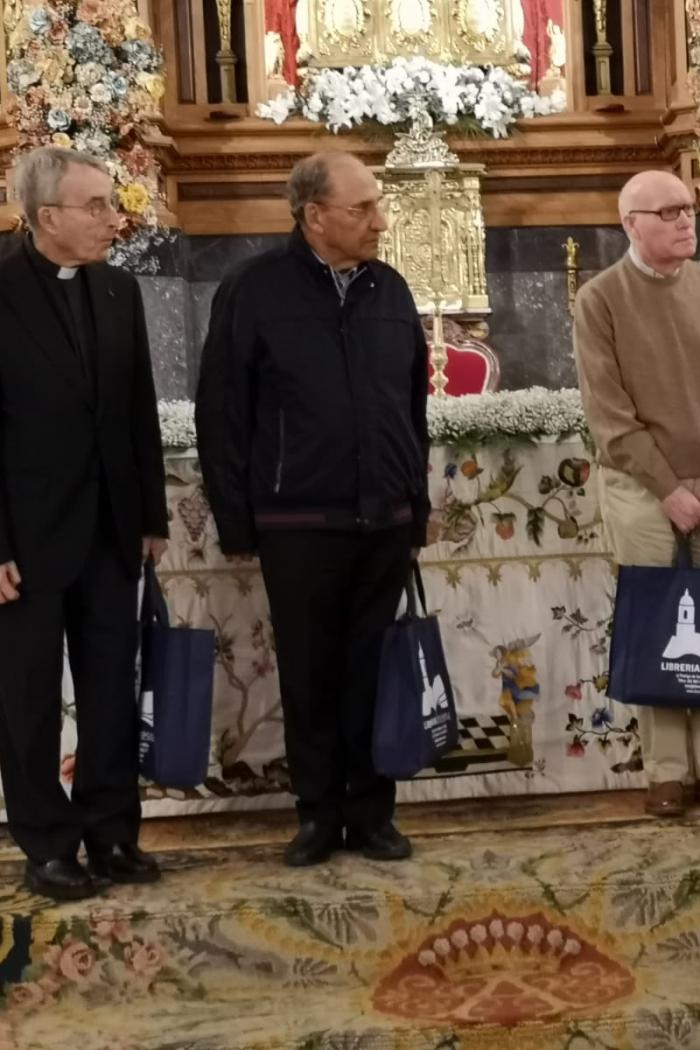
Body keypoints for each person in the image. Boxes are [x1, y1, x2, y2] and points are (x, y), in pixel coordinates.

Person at [196, 151, 430, 866]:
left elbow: (412, 409)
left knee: (372, 672)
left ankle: (374, 813)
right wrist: (235, 518)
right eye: (363, 208)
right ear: (315, 215)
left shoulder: (390, 289)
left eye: (377, 206)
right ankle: (318, 815)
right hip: (298, 524)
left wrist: (414, 505)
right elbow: (223, 411)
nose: (379, 222)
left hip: (384, 520)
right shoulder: (253, 288)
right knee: (309, 674)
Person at [573, 170, 700, 818]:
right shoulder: (600, 300)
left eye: (689, 209)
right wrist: (667, 489)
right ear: (631, 224)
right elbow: (610, 415)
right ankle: (666, 773)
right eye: (669, 212)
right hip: (645, 491)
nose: (688, 220)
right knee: (662, 625)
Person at [0, 147, 168, 899]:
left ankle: (111, 832)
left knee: (110, 693)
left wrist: (150, 515)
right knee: (28, 700)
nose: (113, 218)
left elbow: (137, 412)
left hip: (110, 531)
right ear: (46, 218)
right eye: (95, 206)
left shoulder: (118, 290)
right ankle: (46, 843)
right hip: (25, 540)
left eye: (110, 202)